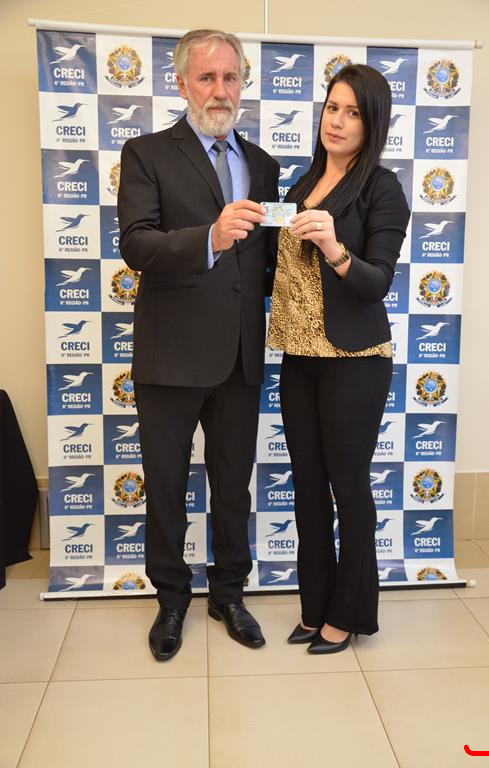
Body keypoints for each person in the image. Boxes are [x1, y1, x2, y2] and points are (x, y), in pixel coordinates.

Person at [118, 29, 279, 660]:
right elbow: (136, 244)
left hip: (240, 354)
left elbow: (266, 262)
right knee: (165, 486)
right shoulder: (147, 152)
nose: (220, 90)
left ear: (243, 84)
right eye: (207, 77)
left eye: (231, 77)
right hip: (170, 355)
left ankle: (229, 594)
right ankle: (171, 599)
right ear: (182, 82)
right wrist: (209, 237)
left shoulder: (262, 164)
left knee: (233, 486)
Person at [267, 64, 410, 654]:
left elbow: (377, 282)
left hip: (356, 359)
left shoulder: (382, 187)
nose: (339, 121)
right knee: (306, 487)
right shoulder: (302, 184)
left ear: (372, 123)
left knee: (347, 488)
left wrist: (334, 247)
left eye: (353, 112)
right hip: (299, 357)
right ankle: (315, 606)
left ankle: (348, 614)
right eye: (332, 108)